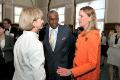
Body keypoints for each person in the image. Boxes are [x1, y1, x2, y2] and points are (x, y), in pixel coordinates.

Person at [57, 6, 100, 80]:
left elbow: (92, 63)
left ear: (90, 18)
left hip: (88, 76)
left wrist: (71, 71)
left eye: (81, 16)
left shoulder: (93, 36)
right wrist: (73, 70)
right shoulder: (82, 34)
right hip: (78, 73)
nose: (78, 18)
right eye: (79, 16)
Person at [12, 7, 46, 80]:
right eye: (41, 19)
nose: (43, 21)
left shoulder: (19, 39)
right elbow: (39, 76)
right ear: (34, 23)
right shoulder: (36, 43)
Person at [43, 10, 71, 80]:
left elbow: (71, 48)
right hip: (48, 66)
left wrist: (69, 66)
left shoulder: (66, 30)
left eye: (56, 19)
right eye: (52, 19)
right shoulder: (43, 31)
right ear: (48, 19)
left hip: (62, 65)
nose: (54, 21)